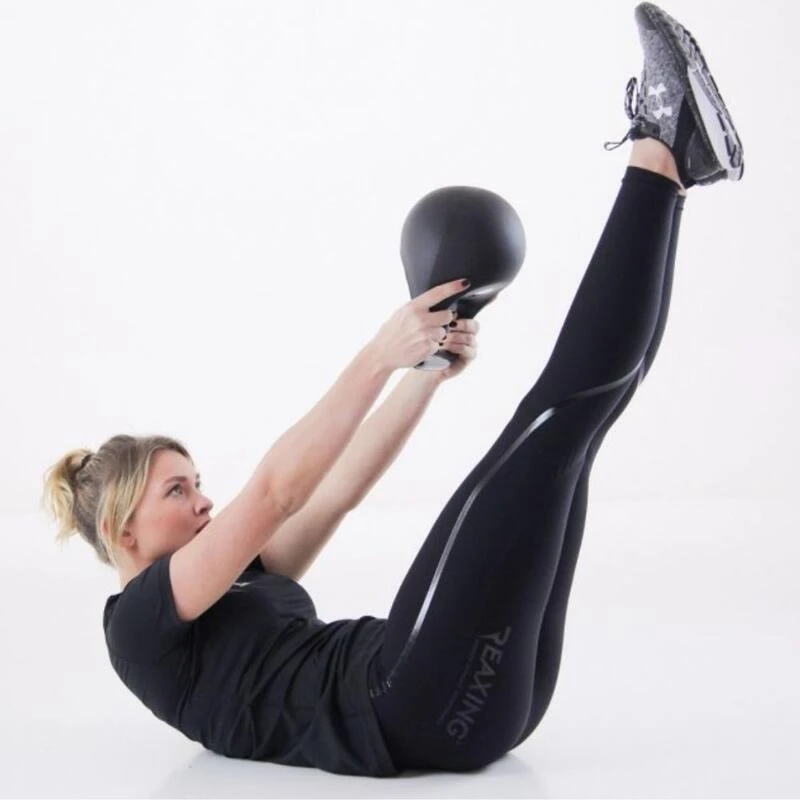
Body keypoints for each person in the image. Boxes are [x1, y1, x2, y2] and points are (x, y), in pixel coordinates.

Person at [41, 2, 743, 778]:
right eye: (178, 490)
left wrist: (427, 372)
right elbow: (274, 491)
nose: (205, 500)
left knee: (580, 427)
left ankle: (675, 170)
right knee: (557, 417)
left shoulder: (240, 577)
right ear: (123, 528)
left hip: (468, 699)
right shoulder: (140, 626)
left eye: (197, 481)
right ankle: (660, 144)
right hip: (409, 700)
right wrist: (379, 354)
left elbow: (335, 492)